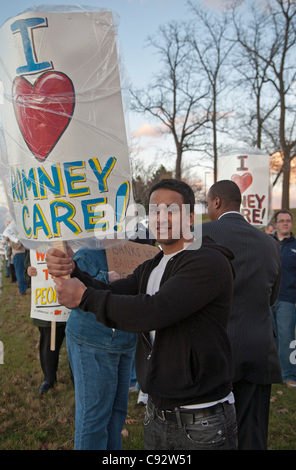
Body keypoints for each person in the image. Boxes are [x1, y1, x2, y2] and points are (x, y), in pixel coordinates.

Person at [46, 178, 238, 451]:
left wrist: (83, 298)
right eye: (155, 210)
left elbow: (153, 310)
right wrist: (74, 270)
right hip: (157, 414)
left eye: (171, 209)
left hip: (200, 420)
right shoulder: (154, 264)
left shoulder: (208, 261)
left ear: (191, 216)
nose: (161, 217)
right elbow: (113, 291)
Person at [203, 180, 282, 450]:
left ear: (216, 202)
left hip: (214, 350)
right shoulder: (270, 243)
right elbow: (272, 297)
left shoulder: (199, 235)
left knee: (211, 435)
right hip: (257, 347)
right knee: (253, 433)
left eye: (207, 203)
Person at [66, 247, 137, 450]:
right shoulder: (87, 254)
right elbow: (72, 296)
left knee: (117, 414)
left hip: (124, 340)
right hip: (92, 342)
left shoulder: (134, 249)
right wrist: (105, 278)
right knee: (94, 418)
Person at [25, 252, 69, 394]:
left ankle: (77, 377)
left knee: (75, 344)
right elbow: (28, 263)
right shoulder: (33, 240)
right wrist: (29, 270)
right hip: (47, 304)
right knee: (49, 343)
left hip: (70, 303)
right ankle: (49, 378)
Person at [270, 209, 296, 389]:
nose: (285, 223)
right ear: (276, 224)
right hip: (266, 297)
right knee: (270, 337)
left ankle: (288, 375)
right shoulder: (266, 243)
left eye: (288, 220)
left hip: (287, 297)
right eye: (282, 221)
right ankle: (273, 372)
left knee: (287, 338)